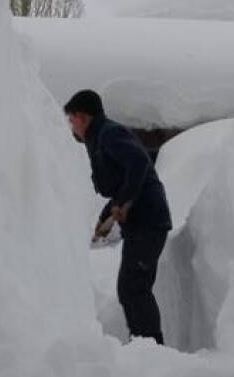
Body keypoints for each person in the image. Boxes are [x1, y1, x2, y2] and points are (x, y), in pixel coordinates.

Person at [65, 89, 172, 345]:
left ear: (82, 117)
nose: (70, 125)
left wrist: (124, 201)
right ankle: (144, 343)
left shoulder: (110, 134)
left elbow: (138, 163)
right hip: (141, 221)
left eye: (71, 119)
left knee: (133, 287)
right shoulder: (100, 138)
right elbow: (124, 180)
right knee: (130, 288)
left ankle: (151, 346)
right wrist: (105, 218)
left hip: (149, 219)